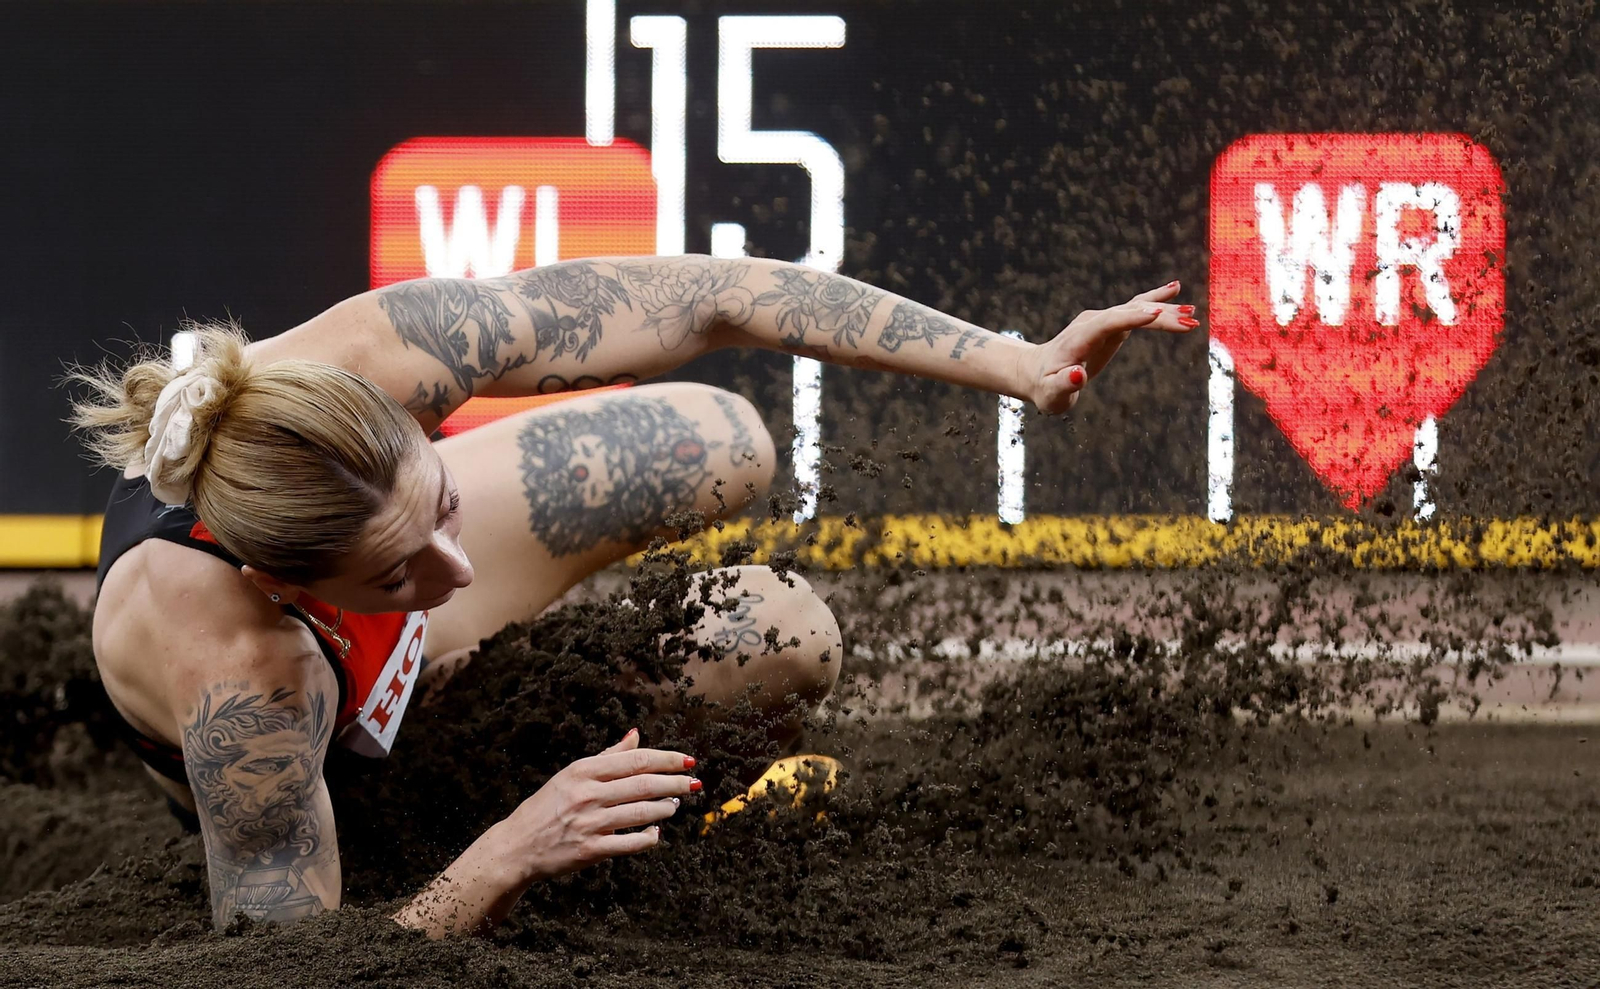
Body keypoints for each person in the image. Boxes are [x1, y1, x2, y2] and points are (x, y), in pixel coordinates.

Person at [72, 254, 1196, 936]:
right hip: (334, 765)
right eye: (397, 575)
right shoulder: (251, 692)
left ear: (399, 414)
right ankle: (486, 788)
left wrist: (1012, 360)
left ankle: (478, 653)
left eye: (442, 515)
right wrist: (503, 854)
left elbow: (712, 296)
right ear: (286, 584)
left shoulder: (382, 353)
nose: (449, 578)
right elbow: (295, 972)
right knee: (774, 641)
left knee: (717, 446)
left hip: (354, 598)